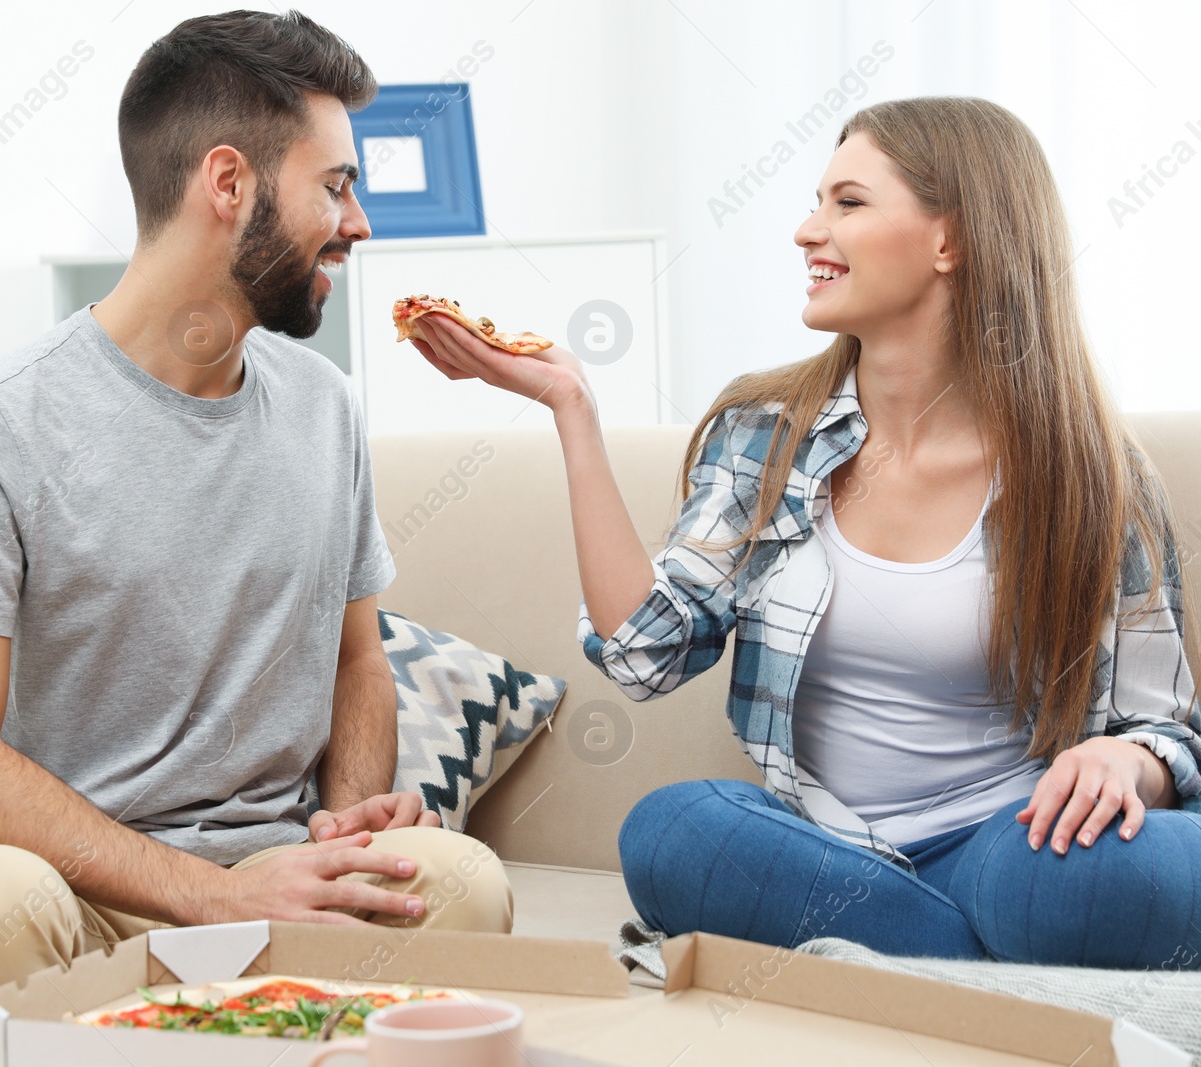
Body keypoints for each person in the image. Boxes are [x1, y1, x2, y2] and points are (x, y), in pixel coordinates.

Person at [406, 96, 1201, 968]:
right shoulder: (764, 436)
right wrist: (573, 411)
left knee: (1102, 877)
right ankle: (994, 969)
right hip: (830, 854)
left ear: (952, 240)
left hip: (1017, 846)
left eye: (847, 203)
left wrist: (1127, 765)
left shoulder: (1093, 472)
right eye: (817, 202)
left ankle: (908, 965)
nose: (806, 231)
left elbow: (1159, 725)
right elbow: (644, 652)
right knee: (673, 834)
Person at [0, 10, 511, 1020]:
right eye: (336, 186)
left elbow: (356, 660)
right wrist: (210, 893)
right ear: (229, 184)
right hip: (76, 887)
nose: (358, 224)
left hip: (274, 869)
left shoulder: (324, 405)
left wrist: (342, 822)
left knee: (460, 881)